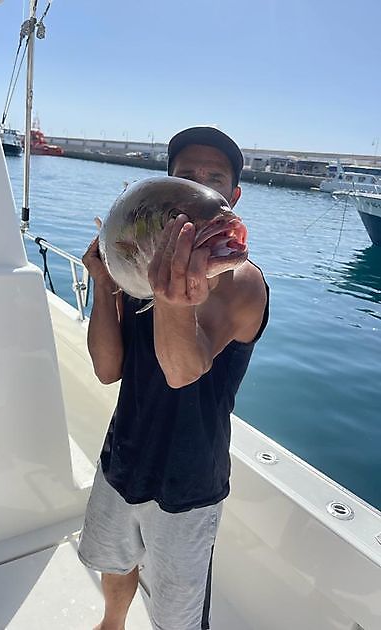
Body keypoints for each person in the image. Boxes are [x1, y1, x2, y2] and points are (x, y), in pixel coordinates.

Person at [79, 126, 269, 630]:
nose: (199, 184)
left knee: (176, 616)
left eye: (214, 178)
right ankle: (111, 625)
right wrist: (105, 284)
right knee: (114, 563)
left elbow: (183, 370)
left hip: (189, 481)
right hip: (123, 453)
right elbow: (106, 369)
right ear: (167, 189)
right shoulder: (138, 270)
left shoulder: (241, 284)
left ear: (232, 196)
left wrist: (169, 299)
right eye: (186, 176)